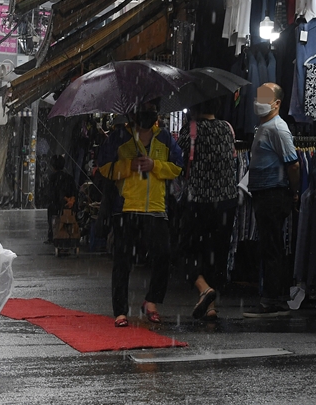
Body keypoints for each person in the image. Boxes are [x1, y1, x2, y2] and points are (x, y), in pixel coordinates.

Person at [98, 100, 183, 327]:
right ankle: (120, 311)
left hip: (156, 207)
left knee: (163, 256)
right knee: (122, 261)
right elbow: (104, 167)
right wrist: (129, 166)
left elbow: (178, 166)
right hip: (126, 207)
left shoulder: (164, 138)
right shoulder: (118, 138)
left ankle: (151, 301)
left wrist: (155, 165)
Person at [176, 98, 239, 321]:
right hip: (226, 201)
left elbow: (178, 158)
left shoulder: (190, 130)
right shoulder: (227, 128)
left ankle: (203, 288)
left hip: (198, 200)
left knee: (187, 249)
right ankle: (211, 305)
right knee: (216, 253)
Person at [242, 83, 300, 318]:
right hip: (264, 193)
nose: (259, 100)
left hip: (273, 194)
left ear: (277, 103)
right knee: (268, 246)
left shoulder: (278, 128)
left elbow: (293, 163)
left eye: (265, 97)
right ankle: (270, 297)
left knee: (272, 247)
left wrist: (293, 192)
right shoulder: (264, 127)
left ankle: (272, 300)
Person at [45, 155, 79, 243]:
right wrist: (70, 200)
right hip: (68, 205)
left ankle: (53, 235)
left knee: (52, 215)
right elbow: (74, 191)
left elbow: (51, 194)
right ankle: (68, 234)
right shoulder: (69, 177)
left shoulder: (52, 178)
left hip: (55, 204)